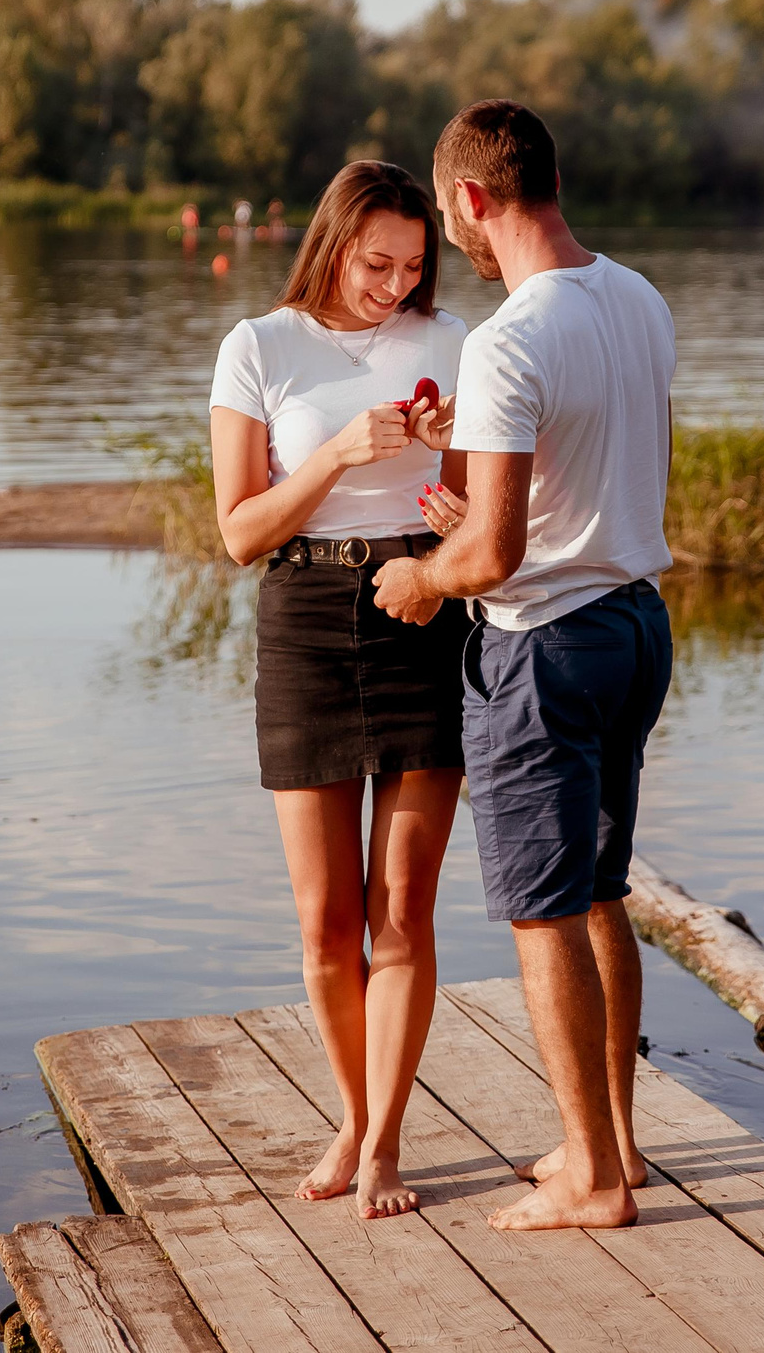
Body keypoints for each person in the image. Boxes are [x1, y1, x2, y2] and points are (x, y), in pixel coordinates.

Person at [375, 99, 676, 1233]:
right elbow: (585, 483)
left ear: (467, 199)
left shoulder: (507, 338)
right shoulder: (637, 296)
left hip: (545, 647)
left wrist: (422, 577)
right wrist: (481, 522)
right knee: (600, 893)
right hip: (634, 622)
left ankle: (592, 1184)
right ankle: (616, 1147)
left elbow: (493, 555)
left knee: (544, 914)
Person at [207, 159, 472, 1220]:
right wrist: (332, 460)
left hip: (421, 610)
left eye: (413, 266)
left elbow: (479, 497)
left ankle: (383, 1146)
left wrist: (455, 507)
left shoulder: (451, 344)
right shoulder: (259, 347)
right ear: (330, 245)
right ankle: (352, 1112)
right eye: (376, 263)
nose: (395, 287)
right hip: (305, 620)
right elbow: (236, 534)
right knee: (326, 922)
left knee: (402, 907)